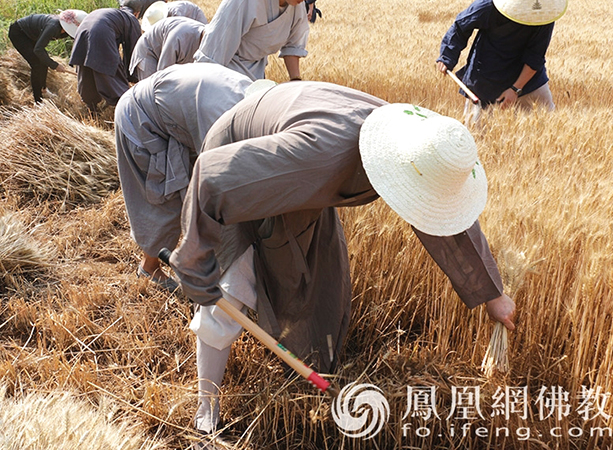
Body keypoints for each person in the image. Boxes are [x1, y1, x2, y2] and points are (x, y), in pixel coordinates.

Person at [166, 81, 517, 435]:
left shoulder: (410, 144)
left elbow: (441, 217)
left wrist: (493, 295)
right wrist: (196, 255)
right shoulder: (321, 156)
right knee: (231, 288)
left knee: (322, 278)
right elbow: (213, 176)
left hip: (304, 175)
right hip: (245, 167)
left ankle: (310, 368)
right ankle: (205, 407)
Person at [114, 63, 253, 285]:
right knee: (166, 199)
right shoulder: (225, 120)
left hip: (175, 124)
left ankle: (198, 264)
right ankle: (150, 269)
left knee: (192, 196)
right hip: (142, 119)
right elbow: (218, 186)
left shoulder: (250, 101)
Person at [436, 0, 567, 126]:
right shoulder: (489, 3)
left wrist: (515, 89)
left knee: (547, 126)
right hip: (487, 77)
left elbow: (535, 56)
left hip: (529, 80)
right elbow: (461, 25)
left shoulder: (545, 13)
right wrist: (447, 57)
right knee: (474, 134)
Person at [193, 0, 335, 81]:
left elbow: (293, 46)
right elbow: (215, 48)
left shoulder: (297, 4)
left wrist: (295, 81)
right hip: (226, 71)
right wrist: (207, 85)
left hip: (257, 72)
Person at [68, 6, 142, 116]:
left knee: (86, 72)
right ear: (136, 13)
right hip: (101, 33)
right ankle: (127, 111)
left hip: (82, 33)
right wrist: (132, 75)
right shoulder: (131, 19)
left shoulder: (111, 14)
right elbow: (134, 49)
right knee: (109, 72)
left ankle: (91, 109)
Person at [8, 9, 87, 103]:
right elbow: (38, 49)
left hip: (32, 35)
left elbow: (77, 44)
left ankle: (43, 90)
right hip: (19, 33)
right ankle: (38, 100)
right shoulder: (53, 27)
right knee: (37, 64)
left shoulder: (66, 30)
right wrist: (55, 65)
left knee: (44, 62)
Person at [129, 16, 206, 82]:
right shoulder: (178, 36)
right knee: (153, 87)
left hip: (163, 52)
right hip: (148, 52)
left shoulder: (208, 42)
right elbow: (163, 71)